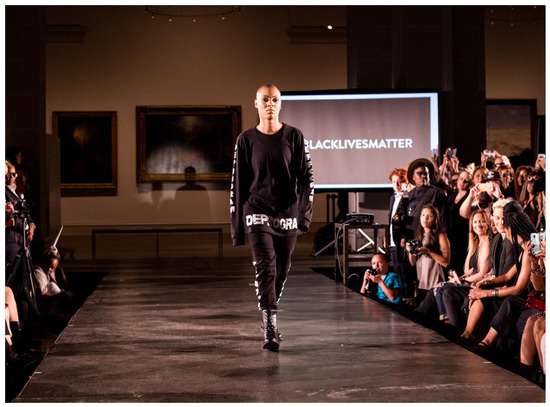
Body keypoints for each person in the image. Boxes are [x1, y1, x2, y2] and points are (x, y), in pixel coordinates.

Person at [230, 84, 314, 352]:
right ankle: (269, 326)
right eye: (264, 99)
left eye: (274, 99)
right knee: (265, 266)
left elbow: (307, 178)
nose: (270, 104)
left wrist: (303, 215)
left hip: (286, 212)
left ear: (281, 103)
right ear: (256, 103)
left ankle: (270, 315)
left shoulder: (294, 136)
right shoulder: (246, 139)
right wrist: (237, 227)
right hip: (255, 210)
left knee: (282, 268)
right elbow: (238, 183)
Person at [462, 200, 539, 348]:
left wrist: (486, 293)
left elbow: (519, 289)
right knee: (481, 294)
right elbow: (507, 276)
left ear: (513, 228)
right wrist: (484, 284)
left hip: (529, 298)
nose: (503, 231)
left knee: (508, 300)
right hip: (520, 295)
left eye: (506, 227)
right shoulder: (522, 249)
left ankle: (486, 343)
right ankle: (467, 335)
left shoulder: (529, 249)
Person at [406, 204, 450, 316]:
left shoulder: (441, 236)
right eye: (423, 215)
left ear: (435, 219)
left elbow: (446, 262)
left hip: (435, 283)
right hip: (422, 283)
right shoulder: (419, 237)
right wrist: (410, 251)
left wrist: (428, 252)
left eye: (429, 216)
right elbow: (413, 263)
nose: (425, 218)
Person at [387, 167, 409, 297]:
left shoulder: (407, 198)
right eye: (394, 182)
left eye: (400, 181)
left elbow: (408, 221)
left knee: (405, 273)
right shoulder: (393, 198)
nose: (397, 185)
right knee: (397, 272)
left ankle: (407, 298)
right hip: (393, 240)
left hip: (402, 240)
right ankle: (400, 299)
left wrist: (404, 237)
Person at [447, 169, 472, 273]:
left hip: (463, 236)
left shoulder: (470, 197)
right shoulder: (451, 197)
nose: (463, 182)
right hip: (451, 236)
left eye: (466, 180)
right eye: (461, 178)